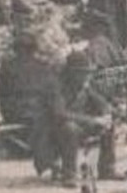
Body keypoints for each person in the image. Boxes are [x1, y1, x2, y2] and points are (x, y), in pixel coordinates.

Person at [29, 51, 116, 185]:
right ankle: (68, 174)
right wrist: (92, 120)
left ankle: (107, 169)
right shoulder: (55, 86)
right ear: (72, 72)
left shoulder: (83, 85)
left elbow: (101, 102)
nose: (86, 76)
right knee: (70, 128)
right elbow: (60, 114)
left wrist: (106, 113)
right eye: (82, 73)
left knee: (107, 126)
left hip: (76, 125)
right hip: (50, 133)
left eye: (87, 73)